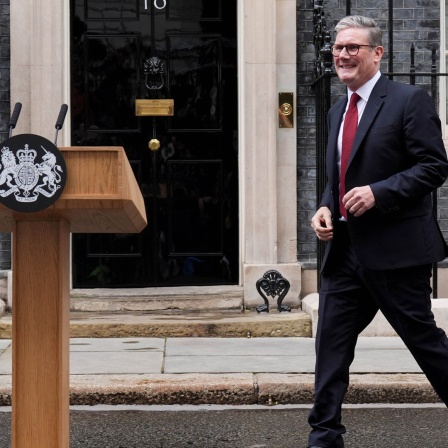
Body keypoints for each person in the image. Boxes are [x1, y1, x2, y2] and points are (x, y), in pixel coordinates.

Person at [308, 15, 448, 448]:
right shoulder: (337, 108)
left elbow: (434, 166)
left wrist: (379, 193)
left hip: (396, 253)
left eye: (353, 47)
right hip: (344, 254)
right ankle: (324, 437)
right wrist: (326, 207)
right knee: (330, 351)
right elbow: (339, 175)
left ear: (377, 53)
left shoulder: (408, 100)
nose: (343, 55)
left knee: (426, 345)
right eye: (338, 48)